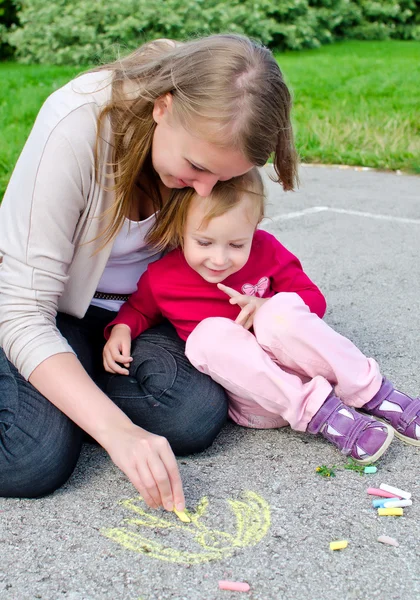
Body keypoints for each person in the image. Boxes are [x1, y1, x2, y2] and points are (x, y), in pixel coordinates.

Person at [0, 35, 299, 509]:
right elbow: (21, 310)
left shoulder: (210, 124)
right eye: (197, 168)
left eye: (221, 178)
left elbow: (245, 245)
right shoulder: (76, 125)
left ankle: (64, 396)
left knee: (194, 416)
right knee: (30, 458)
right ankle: (62, 398)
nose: (203, 190)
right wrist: (118, 432)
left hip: (140, 317)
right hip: (51, 313)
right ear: (163, 108)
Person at [103, 168, 420, 464]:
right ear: (179, 229)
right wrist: (122, 329)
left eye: (237, 244)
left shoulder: (266, 250)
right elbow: (140, 308)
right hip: (267, 399)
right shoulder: (162, 278)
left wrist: (266, 304)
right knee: (207, 336)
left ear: (255, 227)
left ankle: (376, 394)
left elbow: (313, 300)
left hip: (309, 369)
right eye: (204, 242)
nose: (219, 258)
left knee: (278, 311)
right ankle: (328, 417)